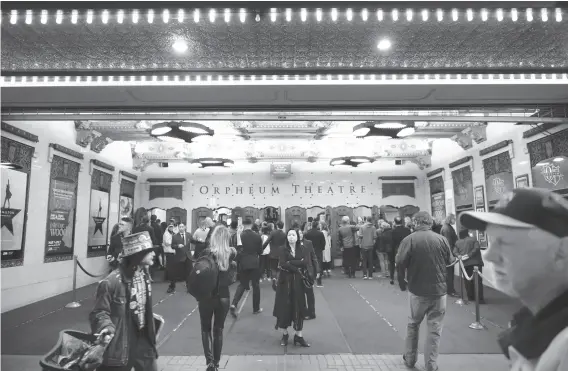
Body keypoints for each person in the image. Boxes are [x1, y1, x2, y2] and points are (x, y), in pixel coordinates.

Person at [460, 188, 568, 371]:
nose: (489, 256)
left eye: (504, 242)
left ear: (561, 252)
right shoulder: (536, 326)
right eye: (491, 241)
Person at [90, 231, 159, 371]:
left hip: (144, 338)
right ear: (138, 255)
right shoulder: (111, 282)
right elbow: (99, 312)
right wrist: (106, 327)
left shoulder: (144, 274)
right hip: (121, 341)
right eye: (149, 251)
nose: (154, 254)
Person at [396, 211, 455, 371]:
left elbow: (400, 262)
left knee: (413, 324)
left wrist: (402, 282)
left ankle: (410, 359)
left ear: (415, 222)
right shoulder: (442, 239)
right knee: (435, 329)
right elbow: (450, 261)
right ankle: (431, 364)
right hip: (439, 291)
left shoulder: (409, 240)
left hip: (417, 289)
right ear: (430, 222)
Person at [198, 225, 238, 371]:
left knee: (205, 329)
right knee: (218, 330)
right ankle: (216, 362)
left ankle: (209, 363)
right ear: (227, 239)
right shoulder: (232, 253)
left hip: (206, 296)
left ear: (213, 237)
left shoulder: (206, 253)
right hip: (223, 296)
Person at [273, 229, 310, 347]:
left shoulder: (303, 249)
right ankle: (285, 334)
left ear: (298, 237)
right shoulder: (282, 249)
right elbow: (283, 263)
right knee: (284, 307)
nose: (291, 237)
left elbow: (306, 262)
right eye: (289, 235)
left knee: (299, 307)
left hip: (298, 283)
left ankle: (299, 336)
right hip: (285, 283)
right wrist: (297, 267)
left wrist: (292, 263)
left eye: (293, 235)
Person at [230, 218, 264, 317]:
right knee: (256, 285)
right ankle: (256, 308)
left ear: (243, 225)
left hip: (243, 263)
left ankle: (234, 304)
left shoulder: (239, 236)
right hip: (254, 262)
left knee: (242, 284)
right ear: (252, 224)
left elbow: (236, 250)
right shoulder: (257, 236)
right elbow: (260, 251)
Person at [454, 229, 485, 303]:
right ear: (467, 233)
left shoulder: (458, 242)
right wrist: (469, 255)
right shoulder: (473, 239)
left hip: (465, 264)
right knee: (478, 282)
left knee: (468, 281)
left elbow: (454, 251)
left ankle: (470, 297)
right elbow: (477, 248)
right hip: (476, 263)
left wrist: (459, 256)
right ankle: (480, 299)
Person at [298, 229, 320, 319]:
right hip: (298, 271)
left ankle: (312, 312)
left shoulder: (308, 243)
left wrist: (317, 270)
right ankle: (304, 312)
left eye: (300, 233)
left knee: (310, 293)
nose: (299, 235)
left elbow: (314, 257)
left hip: (308, 271)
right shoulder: (293, 245)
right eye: (297, 234)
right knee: (300, 294)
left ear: (303, 234)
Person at [169, 223, 194, 293]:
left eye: (182, 227)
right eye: (180, 227)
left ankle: (189, 287)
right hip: (179, 257)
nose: (181, 228)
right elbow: (172, 246)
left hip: (188, 256)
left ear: (185, 227)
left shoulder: (189, 235)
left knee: (189, 272)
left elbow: (193, 241)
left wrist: (201, 241)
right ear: (178, 228)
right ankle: (172, 286)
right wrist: (177, 246)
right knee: (175, 273)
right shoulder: (174, 236)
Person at [262, 221, 287, 290]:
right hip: (281, 254)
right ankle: (278, 281)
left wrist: (262, 249)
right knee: (279, 269)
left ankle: (274, 279)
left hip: (273, 253)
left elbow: (267, 241)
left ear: (277, 226)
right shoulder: (284, 234)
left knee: (273, 268)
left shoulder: (273, 233)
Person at [440, 214, 459, 296]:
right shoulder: (447, 228)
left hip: (445, 253)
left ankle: (448, 289)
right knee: (449, 273)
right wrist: (451, 255)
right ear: (450, 219)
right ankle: (450, 290)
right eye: (454, 218)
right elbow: (448, 243)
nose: (455, 220)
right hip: (448, 253)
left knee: (447, 273)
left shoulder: (445, 227)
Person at [303, 220, 325, 287]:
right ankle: (319, 282)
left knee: (310, 266)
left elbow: (305, 243)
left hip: (309, 251)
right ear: (317, 225)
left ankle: (310, 281)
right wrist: (322, 249)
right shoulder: (320, 233)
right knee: (319, 266)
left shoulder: (307, 233)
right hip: (318, 251)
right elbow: (323, 243)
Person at [391, 217, 411, 285]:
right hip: (407, 248)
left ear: (395, 222)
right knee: (409, 264)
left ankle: (401, 281)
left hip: (398, 249)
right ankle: (408, 278)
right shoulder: (407, 230)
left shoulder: (393, 231)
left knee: (399, 266)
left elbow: (392, 242)